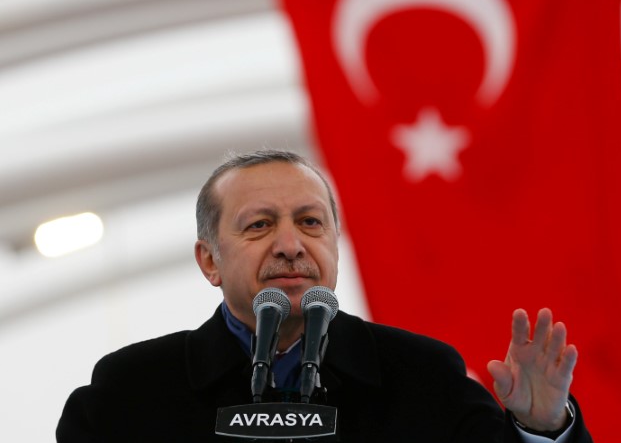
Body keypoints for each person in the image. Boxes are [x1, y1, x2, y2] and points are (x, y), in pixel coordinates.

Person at [57, 149, 592, 442]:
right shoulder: (133, 392)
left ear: (335, 243)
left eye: (311, 223)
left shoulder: (422, 378)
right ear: (209, 260)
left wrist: (542, 431)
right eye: (260, 225)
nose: (291, 246)